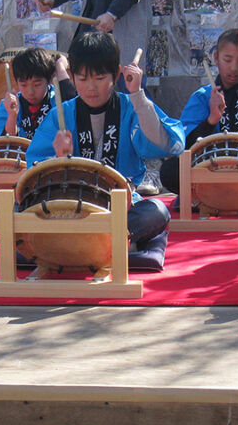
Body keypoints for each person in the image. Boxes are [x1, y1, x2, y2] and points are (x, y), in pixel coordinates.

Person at [26, 31, 185, 261]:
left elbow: (169, 144)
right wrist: (59, 160)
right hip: (69, 207)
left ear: (117, 73)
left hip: (121, 209)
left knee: (158, 212)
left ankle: (83, 243)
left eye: (99, 78)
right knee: (16, 206)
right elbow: (34, 171)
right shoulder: (60, 114)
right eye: (82, 79)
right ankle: (110, 243)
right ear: (71, 76)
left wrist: (138, 96)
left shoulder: (131, 107)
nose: (91, 87)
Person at [159, 28, 238, 198]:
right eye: (228, 59)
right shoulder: (203, 97)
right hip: (209, 173)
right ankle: (210, 196)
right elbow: (184, 147)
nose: (234, 68)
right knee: (170, 170)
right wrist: (211, 120)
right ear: (216, 59)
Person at [0, 48, 76, 139]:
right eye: (23, 85)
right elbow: (1, 146)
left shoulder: (58, 100)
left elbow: (74, 105)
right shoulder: (8, 105)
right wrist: (12, 116)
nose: (30, 92)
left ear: (48, 80)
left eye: (37, 84)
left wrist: (60, 67)